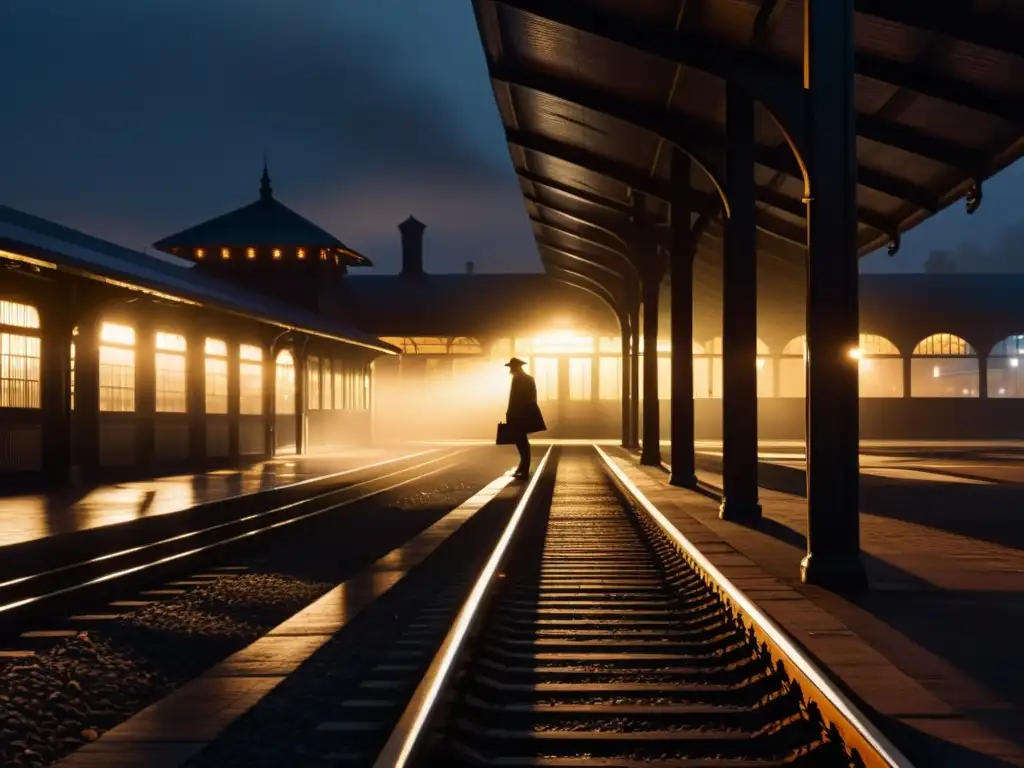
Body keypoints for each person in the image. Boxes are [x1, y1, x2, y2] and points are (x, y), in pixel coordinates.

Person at [504, 357, 546, 478]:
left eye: (511, 367)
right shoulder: (527, 379)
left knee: (521, 441)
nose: (510, 370)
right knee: (521, 440)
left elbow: (514, 398)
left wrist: (511, 412)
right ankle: (523, 467)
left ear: (516, 367)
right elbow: (532, 397)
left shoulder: (518, 379)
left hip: (519, 413)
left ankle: (524, 468)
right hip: (524, 412)